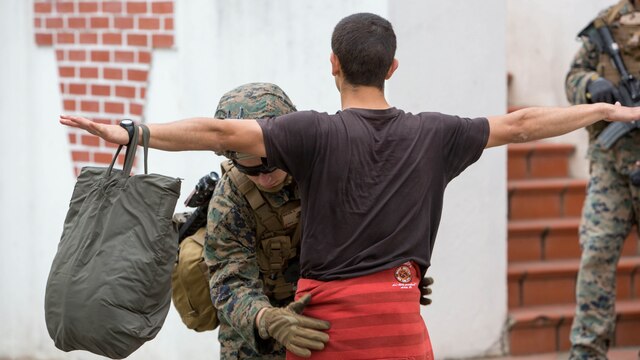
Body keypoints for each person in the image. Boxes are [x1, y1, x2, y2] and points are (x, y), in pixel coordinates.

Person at [59, 12, 640, 359]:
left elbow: (215, 130)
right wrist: (597, 114)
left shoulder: (310, 138)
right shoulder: (426, 135)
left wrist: (131, 131)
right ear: (392, 67)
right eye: (246, 160)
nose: (260, 171)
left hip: (334, 327)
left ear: (331, 65)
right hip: (288, 333)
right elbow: (518, 126)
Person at [204, 82, 327, 359]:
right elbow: (229, 282)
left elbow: (359, 228)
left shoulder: (321, 169)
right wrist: (266, 319)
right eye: (251, 167)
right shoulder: (229, 202)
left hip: (320, 322)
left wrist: (390, 273)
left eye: (272, 161)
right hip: (254, 339)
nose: (266, 177)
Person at [565, 1, 640, 358]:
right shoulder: (607, 23)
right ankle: (587, 351)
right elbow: (573, 76)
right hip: (611, 165)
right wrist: (592, 85)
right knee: (596, 254)